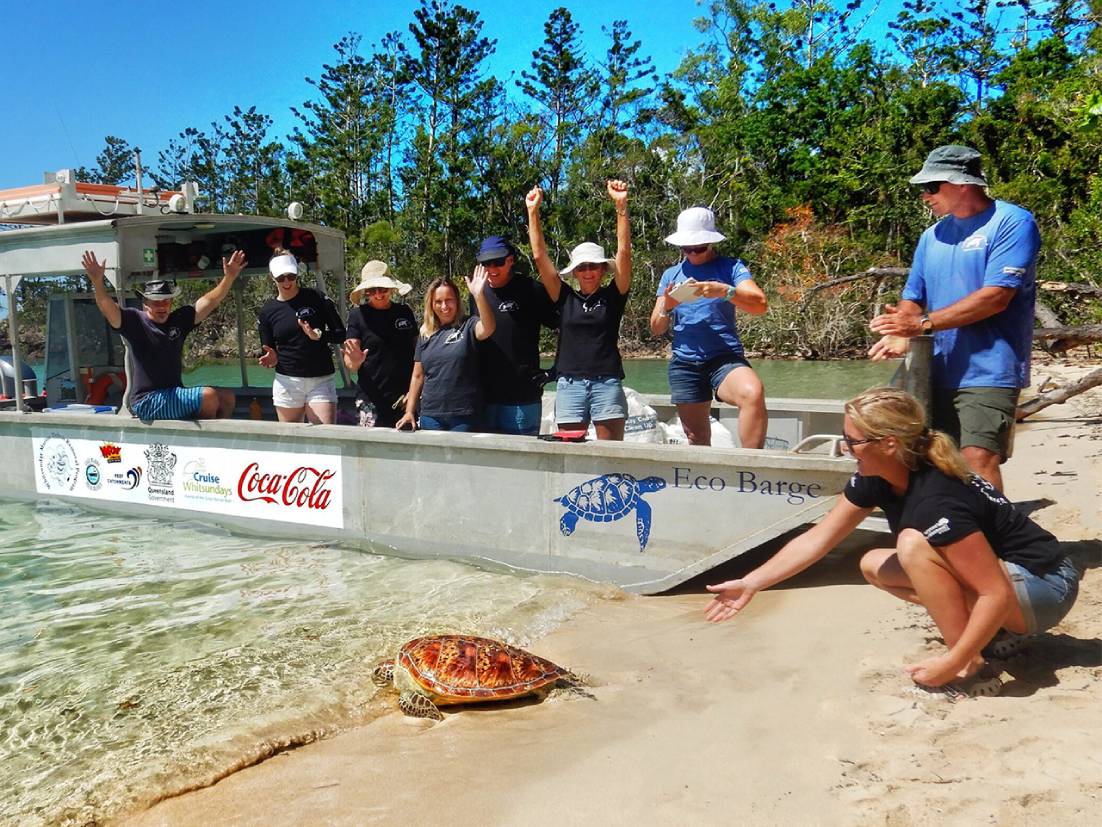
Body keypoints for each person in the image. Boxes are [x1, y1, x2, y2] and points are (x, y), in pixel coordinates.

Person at [704, 388, 1079, 698]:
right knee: (874, 564)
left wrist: (947, 663)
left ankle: (967, 665)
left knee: (914, 546)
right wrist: (752, 582)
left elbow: (993, 593)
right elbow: (818, 538)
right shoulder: (879, 474)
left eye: (852, 441)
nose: (844, 449)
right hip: (1015, 584)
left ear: (888, 444)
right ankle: (989, 639)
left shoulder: (937, 497)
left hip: (1046, 586)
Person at [869, 145, 1041, 491]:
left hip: (990, 369)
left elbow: (996, 297)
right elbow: (912, 298)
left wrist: (919, 326)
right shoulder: (931, 236)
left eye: (931, 187)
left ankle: (993, 541)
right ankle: (955, 537)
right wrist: (901, 330)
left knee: (978, 459)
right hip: (934, 368)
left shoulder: (1012, 222)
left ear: (961, 183)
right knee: (936, 460)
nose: (924, 196)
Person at [650, 206, 769, 447]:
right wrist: (668, 304)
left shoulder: (731, 267)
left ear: (711, 242)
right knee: (696, 438)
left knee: (752, 393)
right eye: (687, 248)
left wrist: (725, 291)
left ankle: (751, 471)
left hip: (724, 357)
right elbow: (656, 327)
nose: (693, 253)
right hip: (684, 362)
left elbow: (760, 304)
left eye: (699, 247)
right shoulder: (671, 275)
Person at [80, 249, 243, 420]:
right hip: (146, 401)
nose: (162, 306)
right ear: (145, 304)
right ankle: (200, 441)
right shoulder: (134, 321)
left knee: (227, 398)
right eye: (156, 301)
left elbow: (210, 301)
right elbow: (107, 307)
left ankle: (215, 439)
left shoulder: (178, 320)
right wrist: (98, 282)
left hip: (174, 393)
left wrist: (229, 278)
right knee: (207, 396)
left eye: (166, 300)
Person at [527, 180, 632, 440]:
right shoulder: (564, 297)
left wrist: (621, 207)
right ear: (574, 271)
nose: (588, 272)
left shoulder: (613, 296)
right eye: (582, 267)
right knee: (571, 456)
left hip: (606, 382)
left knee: (611, 456)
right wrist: (533, 212)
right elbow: (540, 257)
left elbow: (624, 253)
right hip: (569, 385)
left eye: (593, 266)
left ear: (602, 269)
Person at [468, 235, 558, 435]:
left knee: (523, 462)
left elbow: (566, 327)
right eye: (486, 263)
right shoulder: (476, 294)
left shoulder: (531, 289)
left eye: (498, 262)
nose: (492, 268)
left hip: (522, 398)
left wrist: (555, 370)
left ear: (510, 260)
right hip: (485, 398)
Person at [395, 267, 496, 432]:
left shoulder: (468, 325)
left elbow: (488, 328)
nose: (444, 306)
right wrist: (409, 412)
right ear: (431, 304)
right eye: (438, 302)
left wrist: (479, 296)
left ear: (457, 301)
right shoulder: (425, 333)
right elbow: (417, 375)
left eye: (449, 300)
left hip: (464, 415)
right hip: (431, 415)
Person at [257, 248, 346, 424]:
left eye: (291, 276)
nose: (287, 281)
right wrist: (271, 358)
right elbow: (269, 350)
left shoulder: (317, 297)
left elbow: (340, 334)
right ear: (272, 277)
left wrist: (318, 335)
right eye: (281, 278)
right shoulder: (268, 311)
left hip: (321, 378)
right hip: (287, 381)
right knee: (291, 441)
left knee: (325, 438)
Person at [342, 260, 417, 428]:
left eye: (382, 288)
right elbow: (350, 363)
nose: (378, 294)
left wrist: (413, 394)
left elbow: (418, 355)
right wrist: (355, 360)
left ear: (390, 288)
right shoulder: (357, 315)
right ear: (365, 292)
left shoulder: (405, 312)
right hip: (370, 399)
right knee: (369, 450)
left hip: (406, 399)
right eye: (371, 290)